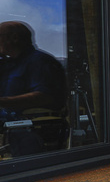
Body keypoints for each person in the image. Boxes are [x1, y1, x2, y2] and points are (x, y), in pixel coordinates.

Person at [0, 21, 67, 156]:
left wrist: (4, 102)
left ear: (14, 38)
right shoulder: (9, 64)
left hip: (32, 131)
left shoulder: (40, 61)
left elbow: (44, 96)